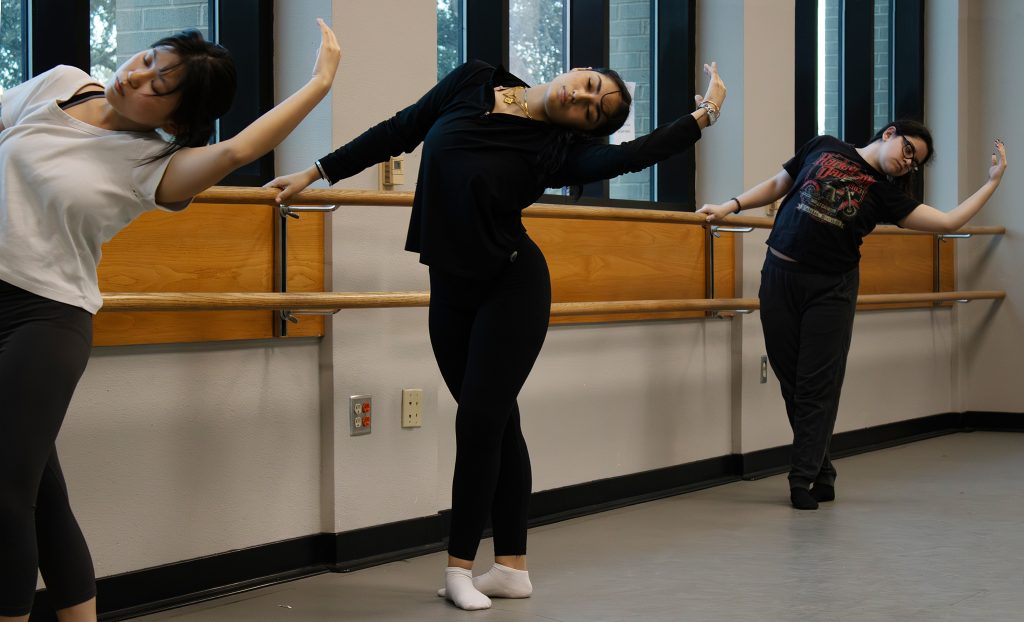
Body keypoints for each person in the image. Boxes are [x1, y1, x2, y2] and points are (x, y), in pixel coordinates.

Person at [266, 59, 726, 610]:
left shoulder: (561, 152)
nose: (582, 99)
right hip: (451, 287)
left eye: (592, 111)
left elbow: (632, 155)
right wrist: (315, 172)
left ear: (584, 129)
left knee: (478, 421)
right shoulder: (474, 79)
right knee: (500, 424)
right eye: (591, 86)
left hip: (512, 285)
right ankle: (512, 568)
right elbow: (400, 129)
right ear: (579, 69)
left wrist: (704, 114)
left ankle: (459, 566)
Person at [0, 20, 341, 622]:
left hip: (45, 319)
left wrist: (318, 84)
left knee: (5, 493)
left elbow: (238, 151)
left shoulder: (156, 164)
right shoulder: (59, 84)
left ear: (178, 121)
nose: (135, 76)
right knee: (37, 491)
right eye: (146, 60)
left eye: (158, 86)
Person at [698, 120, 1007, 510]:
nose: (906, 164)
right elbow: (780, 183)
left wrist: (992, 183)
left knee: (816, 384)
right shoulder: (825, 145)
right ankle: (822, 472)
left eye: (915, 165)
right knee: (790, 378)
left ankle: (800, 479)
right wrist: (731, 206)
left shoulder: (886, 195)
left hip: (831, 288)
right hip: (778, 274)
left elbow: (947, 222)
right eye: (909, 151)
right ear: (891, 133)